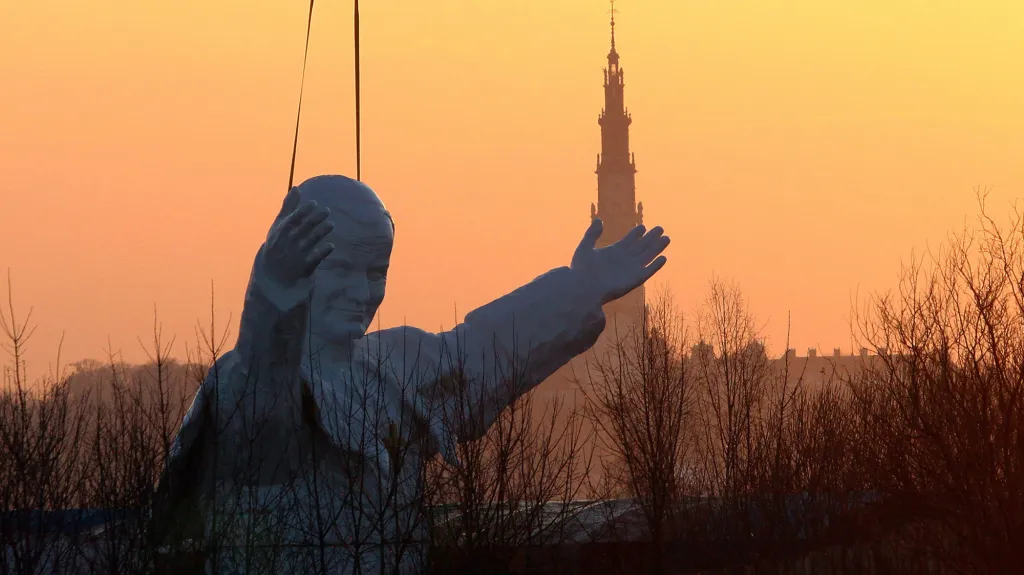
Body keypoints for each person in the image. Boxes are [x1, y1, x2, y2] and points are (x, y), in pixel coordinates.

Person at [153, 174, 670, 574]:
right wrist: (274, 295)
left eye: (376, 273)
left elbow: (482, 353)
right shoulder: (243, 383)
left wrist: (581, 289)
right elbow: (265, 415)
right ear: (295, 261)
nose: (362, 292)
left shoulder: (392, 366)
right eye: (341, 268)